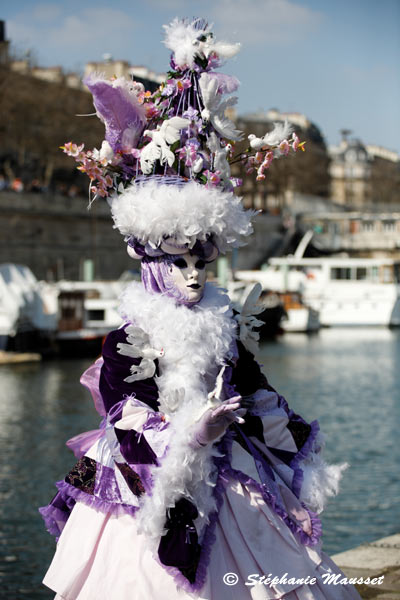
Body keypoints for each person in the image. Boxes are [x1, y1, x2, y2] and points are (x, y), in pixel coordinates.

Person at [40, 17, 362, 600]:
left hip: (232, 475)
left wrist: (288, 436)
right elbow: (127, 419)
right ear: (152, 260)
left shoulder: (221, 319)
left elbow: (256, 388)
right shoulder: (130, 338)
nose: (194, 276)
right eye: (181, 262)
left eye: (203, 263)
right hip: (153, 487)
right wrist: (190, 431)